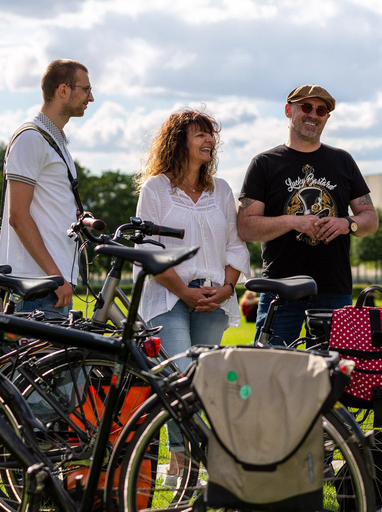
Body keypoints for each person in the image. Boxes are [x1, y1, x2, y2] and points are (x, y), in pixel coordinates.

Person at [134, 108, 250, 485]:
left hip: (214, 299)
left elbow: (236, 246)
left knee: (203, 386)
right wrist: (183, 291)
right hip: (168, 297)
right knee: (178, 380)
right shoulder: (156, 189)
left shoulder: (223, 190)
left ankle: (192, 467)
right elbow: (148, 250)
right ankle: (179, 464)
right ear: (178, 140)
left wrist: (229, 287)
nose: (209, 141)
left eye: (211, 135)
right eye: (200, 134)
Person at [237, 84, 378, 346]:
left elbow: (370, 218)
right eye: (306, 107)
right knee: (271, 373)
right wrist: (294, 221)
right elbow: (246, 227)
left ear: (327, 117)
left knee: (334, 378)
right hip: (281, 290)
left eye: (321, 110)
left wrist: (347, 223)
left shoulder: (343, 161)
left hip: (333, 290)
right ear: (288, 110)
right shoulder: (264, 163)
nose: (313, 114)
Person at [0, 59, 94, 317]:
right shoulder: (31, 138)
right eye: (85, 89)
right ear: (63, 90)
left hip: (50, 284)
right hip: (39, 286)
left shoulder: (53, 141)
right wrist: (55, 276)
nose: (91, 98)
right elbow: (17, 215)